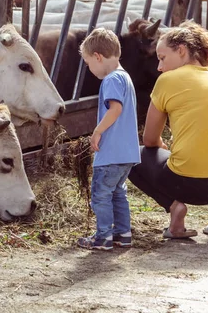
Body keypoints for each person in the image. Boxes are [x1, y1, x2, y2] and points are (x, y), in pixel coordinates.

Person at [128, 21, 208, 240]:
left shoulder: (166, 80)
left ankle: (175, 208)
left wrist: (160, 144)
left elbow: (149, 139)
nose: (159, 67)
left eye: (162, 57)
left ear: (181, 50)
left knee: (131, 155)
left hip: (187, 183)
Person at [76, 28, 141, 251]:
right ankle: (122, 234)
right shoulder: (126, 77)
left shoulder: (111, 80)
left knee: (101, 196)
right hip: (127, 153)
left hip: (111, 153)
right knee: (118, 194)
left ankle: (102, 237)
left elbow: (115, 109)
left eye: (87, 62)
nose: (89, 68)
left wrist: (97, 131)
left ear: (98, 57)